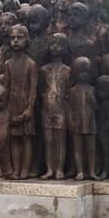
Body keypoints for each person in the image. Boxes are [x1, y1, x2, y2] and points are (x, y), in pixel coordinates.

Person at [2, 25, 38, 180]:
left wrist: (29, 108)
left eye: (19, 37)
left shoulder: (31, 64)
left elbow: (33, 89)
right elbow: (6, 88)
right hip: (12, 105)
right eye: (12, 38)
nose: (15, 41)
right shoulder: (8, 64)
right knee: (14, 139)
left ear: (26, 40)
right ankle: (16, 170)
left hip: (25, 104)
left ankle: (25, 169)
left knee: (26, 139)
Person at [40, 34, 70, 180]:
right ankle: (50, 169)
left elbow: (70, 91)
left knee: (60, 140)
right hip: (46, 108)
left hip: (62, 108)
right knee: (48, 140)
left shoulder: (67, 70)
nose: (55, 48)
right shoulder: (43, 70)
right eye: (52, 44)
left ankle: (59, 169)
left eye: (59, 45)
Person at [70, 57, 98, 180]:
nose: (84, 75)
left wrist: (93, 101)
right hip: (78, 122)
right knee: (78, 148)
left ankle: (91, 171)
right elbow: (69, 108)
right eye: (81, 72)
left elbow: (97, 108)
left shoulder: (92, 89)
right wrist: (70, 121)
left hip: (90, 123)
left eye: (86, 72)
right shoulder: (73, 90)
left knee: (91, 148)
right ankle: (80, 171)